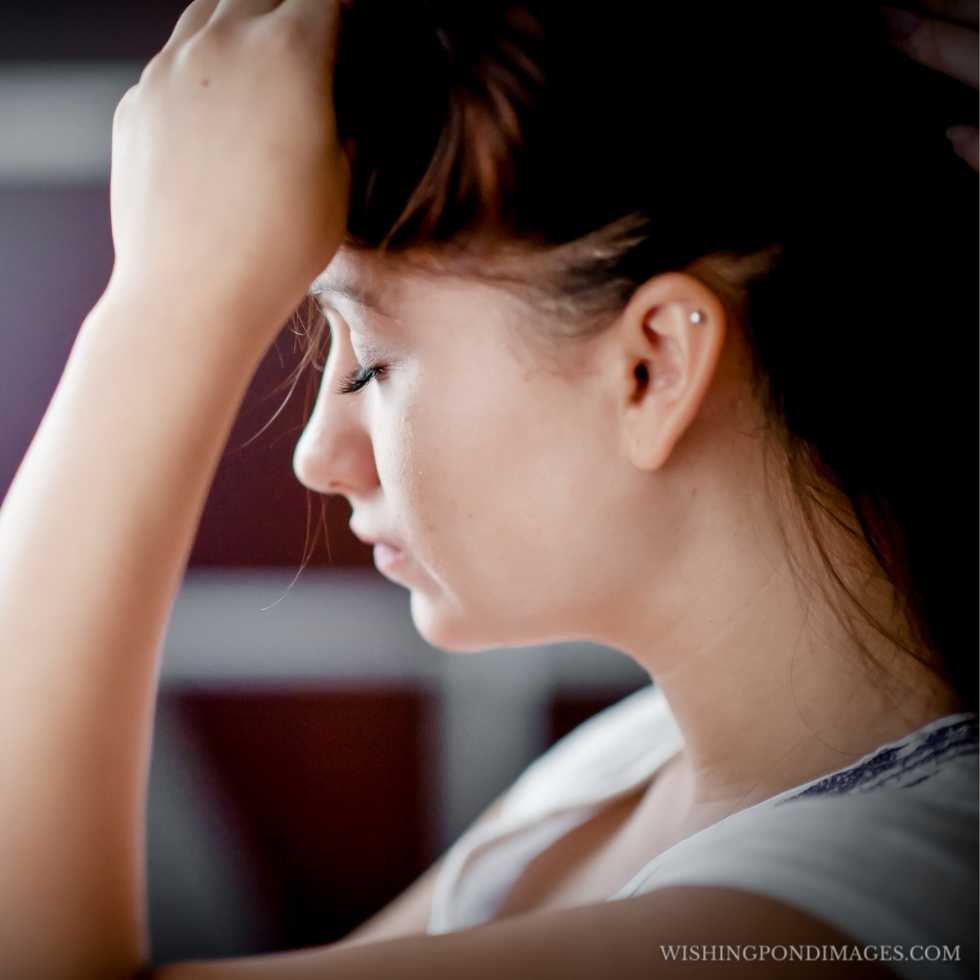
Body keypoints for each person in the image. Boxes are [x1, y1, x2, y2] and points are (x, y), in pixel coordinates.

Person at [0, 1, 975, 978]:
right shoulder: (647, 764)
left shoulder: (811, 930)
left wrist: (170, 292)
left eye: (371, 362)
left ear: (651, 366)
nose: (318, 454)